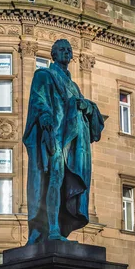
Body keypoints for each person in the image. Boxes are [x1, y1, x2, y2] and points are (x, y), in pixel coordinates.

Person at [23, 39, 104, 244]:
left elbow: (86, 112)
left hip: (71, 140)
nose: (66, 52)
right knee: (54, 180)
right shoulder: (44, 75)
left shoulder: (74, 86)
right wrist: (46, 120)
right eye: (62, 49)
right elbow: (38, 100)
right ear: (54, 54)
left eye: (69, 50)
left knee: (62, 183)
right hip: (54, 136)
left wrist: (87, 106)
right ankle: (51, 229)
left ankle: (56, 226)